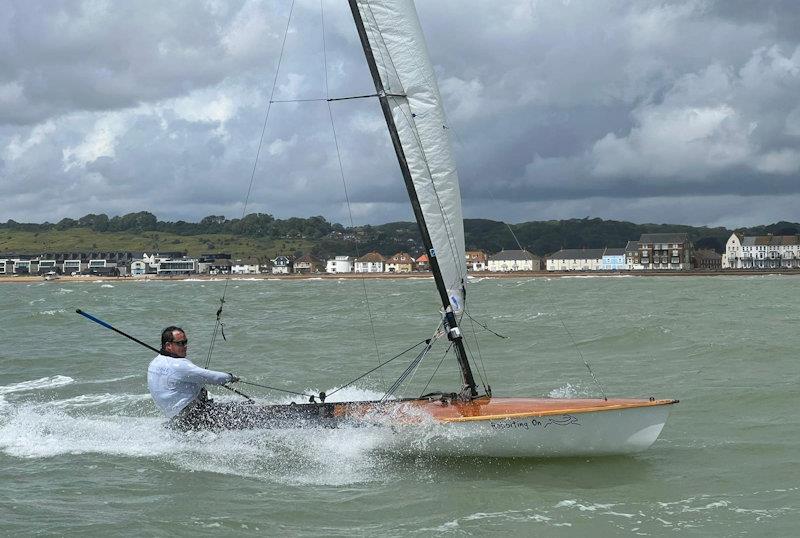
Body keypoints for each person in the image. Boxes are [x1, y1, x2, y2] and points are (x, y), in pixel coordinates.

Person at [147, 326, 242, 430]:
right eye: (180, 343)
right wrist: (230, 377)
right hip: (194, 416)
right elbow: (214, 378)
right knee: (245, 414)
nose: (185, 346)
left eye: (186, 342)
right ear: (168, 345)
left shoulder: (154, 363)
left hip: (176, 418)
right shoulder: (179, 365)